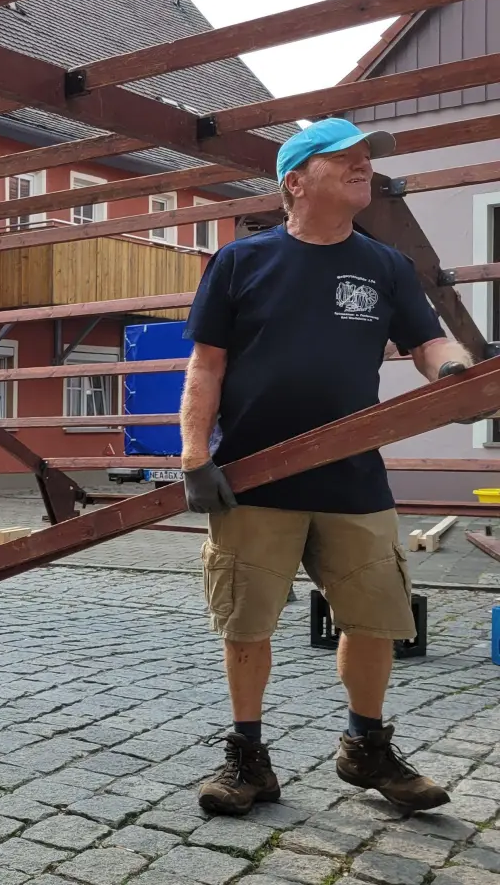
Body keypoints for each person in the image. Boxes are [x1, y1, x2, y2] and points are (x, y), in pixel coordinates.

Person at [181, 116, 472, 818]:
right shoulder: (241, 261)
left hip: (353, 478)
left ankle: (365, 746)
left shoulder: (385, 265)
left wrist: (457, 373)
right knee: (247, 623)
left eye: (367, 158)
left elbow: (427, 344)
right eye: (344, 157)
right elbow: (206, 365)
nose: (363, 165)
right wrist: (194, 456)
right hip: (254, 478)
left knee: (374, 617)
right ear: (295, 180)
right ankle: (249, 758)